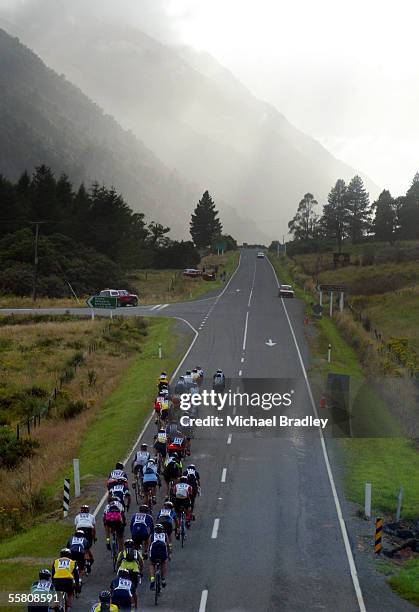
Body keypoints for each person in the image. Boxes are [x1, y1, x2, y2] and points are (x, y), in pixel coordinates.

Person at [117, 540, 143, 609]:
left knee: (120, 587)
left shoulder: (122, 553)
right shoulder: (137, 553)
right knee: (133, 591)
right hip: (134, 573)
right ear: (133, 546)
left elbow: (118, 562)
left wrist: (118, 569)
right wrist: (141, 571)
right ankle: (136, 607)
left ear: (125, 546)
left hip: (123, 572)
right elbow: (141, 563)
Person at [148, 524, 169, 591]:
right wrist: (169, 554)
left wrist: (149, 553)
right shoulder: (165, 535)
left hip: (154, 553)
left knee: (151, 564)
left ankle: (152, 579)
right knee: (164, 562)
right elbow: (168, 545)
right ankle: (163, 579)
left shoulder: (152, 535)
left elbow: (149, 546)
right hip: (162, 553)